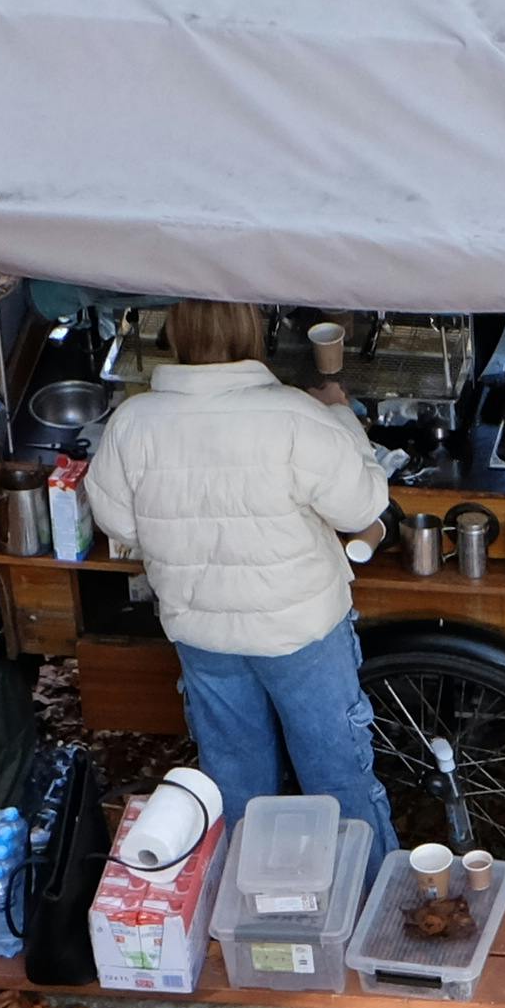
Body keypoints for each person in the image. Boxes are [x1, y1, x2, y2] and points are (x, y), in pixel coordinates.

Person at [82, 300, 399, 872]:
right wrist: (343, 419)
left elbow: (120, 526)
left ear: (174, 334)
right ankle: (373, 899)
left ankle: (253, 909)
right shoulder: (294, 414)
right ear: (252, 330)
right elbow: (364, 506)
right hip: (301, 634)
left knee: (234, 784)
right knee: (337, 777)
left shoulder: (134, 421)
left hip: (203, 634)